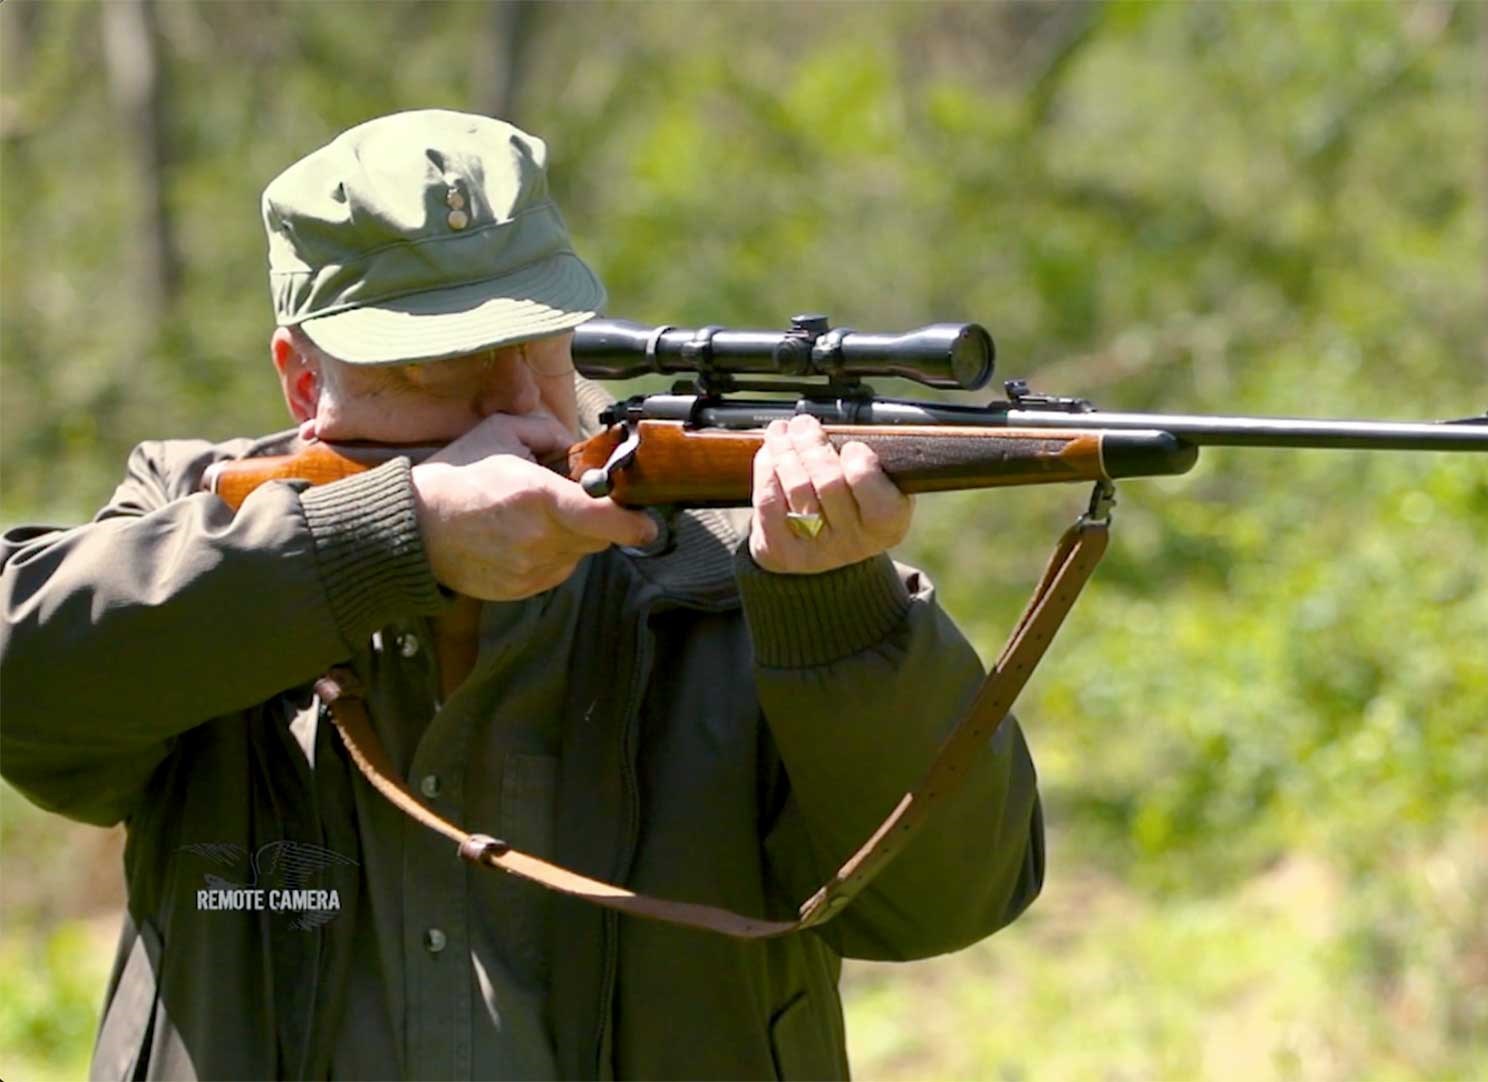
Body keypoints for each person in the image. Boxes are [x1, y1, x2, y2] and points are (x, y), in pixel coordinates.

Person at [0, 109, 1043, 1080]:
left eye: (536, 349)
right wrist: (383, 540)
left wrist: (841, 614)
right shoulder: (200, 518)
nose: (511, 406)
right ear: (304, 382)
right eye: (436, 367)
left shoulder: (723, 562)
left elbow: (946, 900)